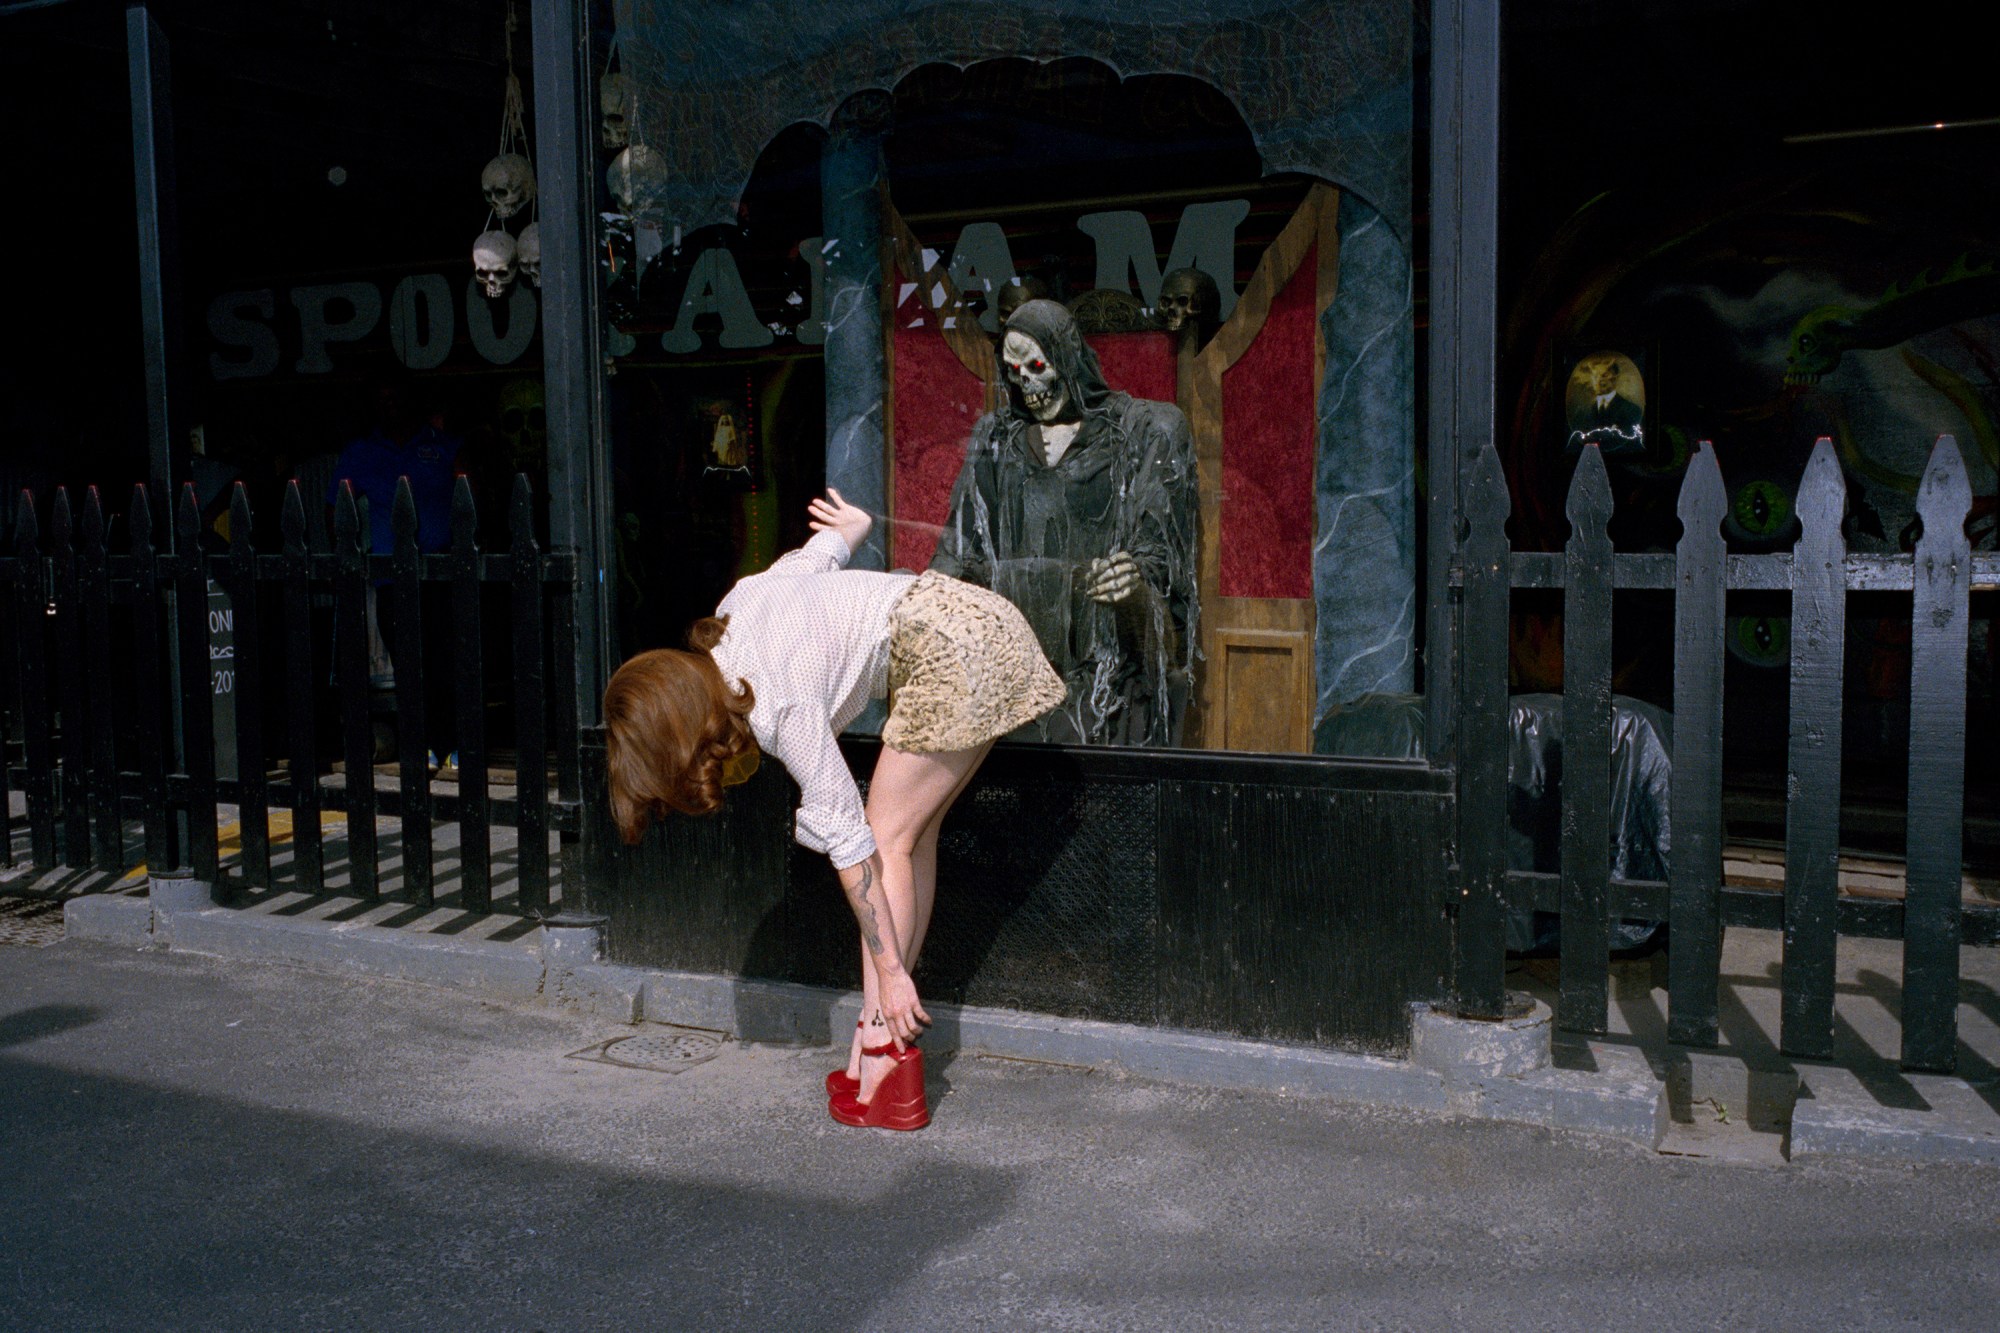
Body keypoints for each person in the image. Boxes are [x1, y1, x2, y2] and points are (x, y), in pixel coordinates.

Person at [603, 489, 1063, 1130]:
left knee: (882, 839)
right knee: (910, 834)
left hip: (956, 650)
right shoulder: (735, 608)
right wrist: (852, 529)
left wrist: (893, 974)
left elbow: (852, 852)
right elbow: (816, 559)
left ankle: (887, 1055)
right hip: (975, 621)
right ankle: (880, 1049)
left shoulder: (780, 706)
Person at [930, 298, 1199, 746]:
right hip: (1016, 666)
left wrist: (1130, 579)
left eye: (1036, 365)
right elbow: (961, 551)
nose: (1026, 383)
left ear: (1065, 357)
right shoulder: (998, 439)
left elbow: (1157, 559)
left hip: (1105, 666)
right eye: (1014, 372)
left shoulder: (1141, 430)